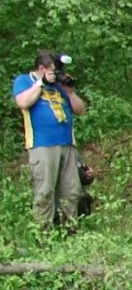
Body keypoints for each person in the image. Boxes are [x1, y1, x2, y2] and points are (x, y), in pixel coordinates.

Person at [11, 50, 86, 229]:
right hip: (41, 144)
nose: (56, 74)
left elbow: (79, 109)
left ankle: (70, 231)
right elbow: (22, 102)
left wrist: (70, 91)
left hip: (67, 144)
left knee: (71, 190)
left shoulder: (58, 86)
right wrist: (41, 84)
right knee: (45, 191)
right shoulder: (25, 80)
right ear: (41, 68)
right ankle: (44, 235)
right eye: (53, 71)